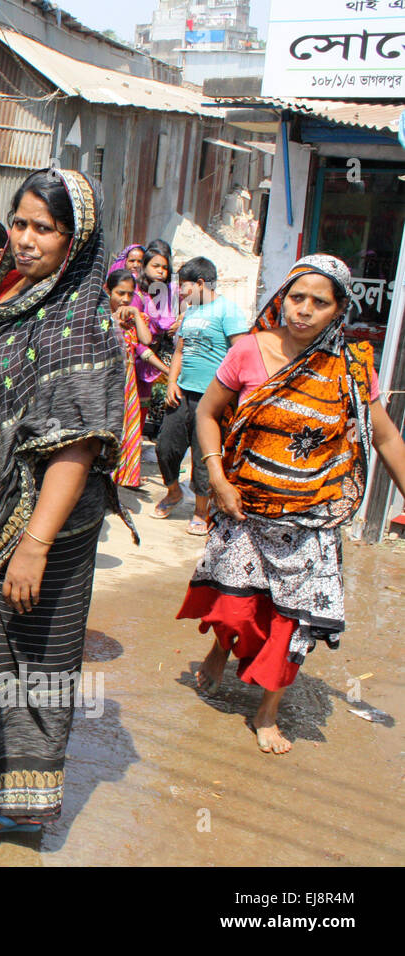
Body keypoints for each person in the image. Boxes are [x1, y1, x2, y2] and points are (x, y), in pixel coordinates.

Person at [0, 166, 133, 835]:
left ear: (77, 240)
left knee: (20, 656)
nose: (29, 239)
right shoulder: (5, 297)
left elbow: (76, 447)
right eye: (22, 222)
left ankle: (5, 800)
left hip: (42, 525)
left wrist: (32, 548)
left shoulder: (81, 320)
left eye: (47, 228)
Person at [179, 255, 405, 754]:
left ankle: (267, 713)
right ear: (280, 298)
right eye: (295, 297)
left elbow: (386, 439)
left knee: (292, 623)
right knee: (238, 611)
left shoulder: (351, 367)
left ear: (338, 310)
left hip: (313, 517)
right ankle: (221, 648)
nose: (302, 311)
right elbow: (209, 414)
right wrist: (217, 478)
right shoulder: (247, 351)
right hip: (247, 509)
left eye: (318, 303)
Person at [153, 257, 252, 531]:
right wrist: (172, 382)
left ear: (199, 283)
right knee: (165, 447)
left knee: (202, 455)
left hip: (212, 399)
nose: (180, 293)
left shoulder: (228, 311)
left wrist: (230, 395)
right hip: (182, 392)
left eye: (183, 287)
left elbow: (242, 353)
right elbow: (180, 352)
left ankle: (200, 510)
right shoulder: (191, 313)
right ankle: (174, 492)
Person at [106, 267, 167, 488]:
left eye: (129, 294)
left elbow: (145, 340)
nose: (124, 298)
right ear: (108, 291)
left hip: (128, 384)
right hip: (106, 381)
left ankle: (122, 478)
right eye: (119, 293)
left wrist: (134, 313)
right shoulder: (100, 316)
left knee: (127, 430)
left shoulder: (134, 319)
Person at [135, 239, 177, 438]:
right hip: (136, 359)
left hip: (151, 359)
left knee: (142, 410)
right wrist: (166, 369)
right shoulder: (137, 295)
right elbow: (136, 340)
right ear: (144, 266)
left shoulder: (164, 292)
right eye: (156, 266)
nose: (161, 271)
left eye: (165, 268)